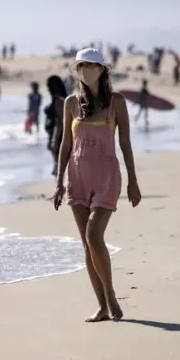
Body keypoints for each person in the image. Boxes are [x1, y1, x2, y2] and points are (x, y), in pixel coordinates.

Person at [53, 48, 141, 322]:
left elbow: (125, 143)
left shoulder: (116, 102)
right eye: (80, 66)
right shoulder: (70, 102)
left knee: (94, 236)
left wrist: (133, 182)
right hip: (77, 178)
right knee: (86, 244)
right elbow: (65, 145)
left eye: (90, 65)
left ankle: (111, 294)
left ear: (102, 70)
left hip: (106, 177)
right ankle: (102, 305)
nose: (85, 70)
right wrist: (58, 182)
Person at [44, 75, 68, 175]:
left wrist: (55, 139)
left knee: (58, 167)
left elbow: (60, 122)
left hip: (58, 135)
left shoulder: (59, 101)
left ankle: (61, 188)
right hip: (55, 134)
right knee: (58, 166)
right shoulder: (60, 100)